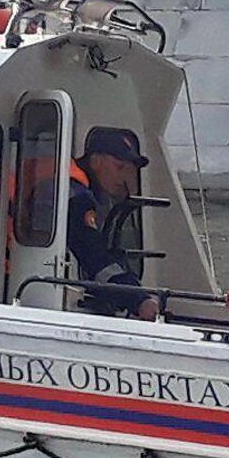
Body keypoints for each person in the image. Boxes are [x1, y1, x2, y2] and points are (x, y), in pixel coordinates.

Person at [68, 133, 159, 322]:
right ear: (95, 161)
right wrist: (139, 300)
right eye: (119, 167)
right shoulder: (75, 196)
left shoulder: (68, 180)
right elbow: (93, 254)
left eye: (129, 170)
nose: (123, 177)